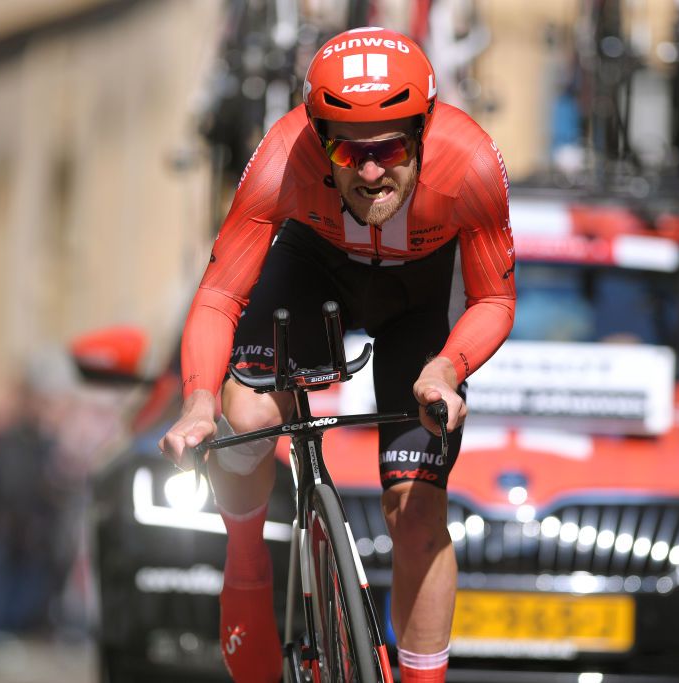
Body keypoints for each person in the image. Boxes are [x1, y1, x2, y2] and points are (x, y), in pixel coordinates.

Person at [160, 26, 515, 683]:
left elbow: (493, 299)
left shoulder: (469, 162)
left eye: (390, 148)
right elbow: (218, 294)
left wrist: (446, 368)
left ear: (425, 130)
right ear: (322, 140)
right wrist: (199, 402)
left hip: (417, 301)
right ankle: (245, 553)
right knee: (244, 414)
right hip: (313, 273)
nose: (373, 170)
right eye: (350, 153)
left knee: (417, 514)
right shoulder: (283, 155)